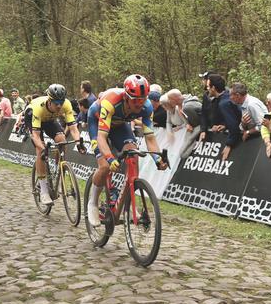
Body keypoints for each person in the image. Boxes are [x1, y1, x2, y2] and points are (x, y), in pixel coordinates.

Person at [86, 74, 168, 223]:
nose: (139, 104)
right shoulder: (111, 101)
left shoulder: (147, 107)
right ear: (126, 96)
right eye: (135, 100)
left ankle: (126, 203)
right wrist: (110, 158)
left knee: (133, 156)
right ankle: (92, 202)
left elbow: (150, 138)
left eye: (143, 99)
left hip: (119, 125)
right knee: (104, 166)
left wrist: (157, 158)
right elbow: (102, 137)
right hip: (97, 122)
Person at [24, 84, 85, 204]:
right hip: (33, 118)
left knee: (62, 139)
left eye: (61, 102)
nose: (59, 105)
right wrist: (43, 149)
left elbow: (73, 128)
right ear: (49, 100)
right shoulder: (38, 107)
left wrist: (78, 143)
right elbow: (35, 136)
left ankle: (59, 169)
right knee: (40, 150)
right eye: (56, 102)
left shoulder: (66, 104)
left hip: (49, 120)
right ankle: (44, 191)